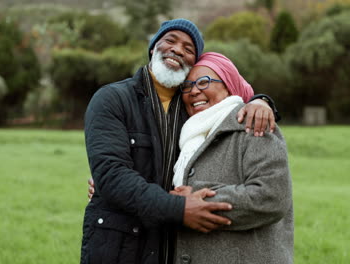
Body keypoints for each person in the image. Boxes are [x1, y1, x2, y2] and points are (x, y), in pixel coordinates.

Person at [81, 19, 280, 264]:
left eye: (188, 49)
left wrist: (261, 101)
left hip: (172, 246)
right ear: (153, 48)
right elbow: (112, 173)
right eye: (170, 41)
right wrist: (178, 208)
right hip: (119, 246)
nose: (178, 50)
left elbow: (233, 94)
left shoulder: (193, 110)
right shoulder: (112, 98)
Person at [171, 52, 293, 264]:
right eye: (187, 86)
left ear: (228, 85)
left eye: (203, 82)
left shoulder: (253, 124)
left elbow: (272, 196)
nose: (194, 91)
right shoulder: (186, 138)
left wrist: (197, 202)